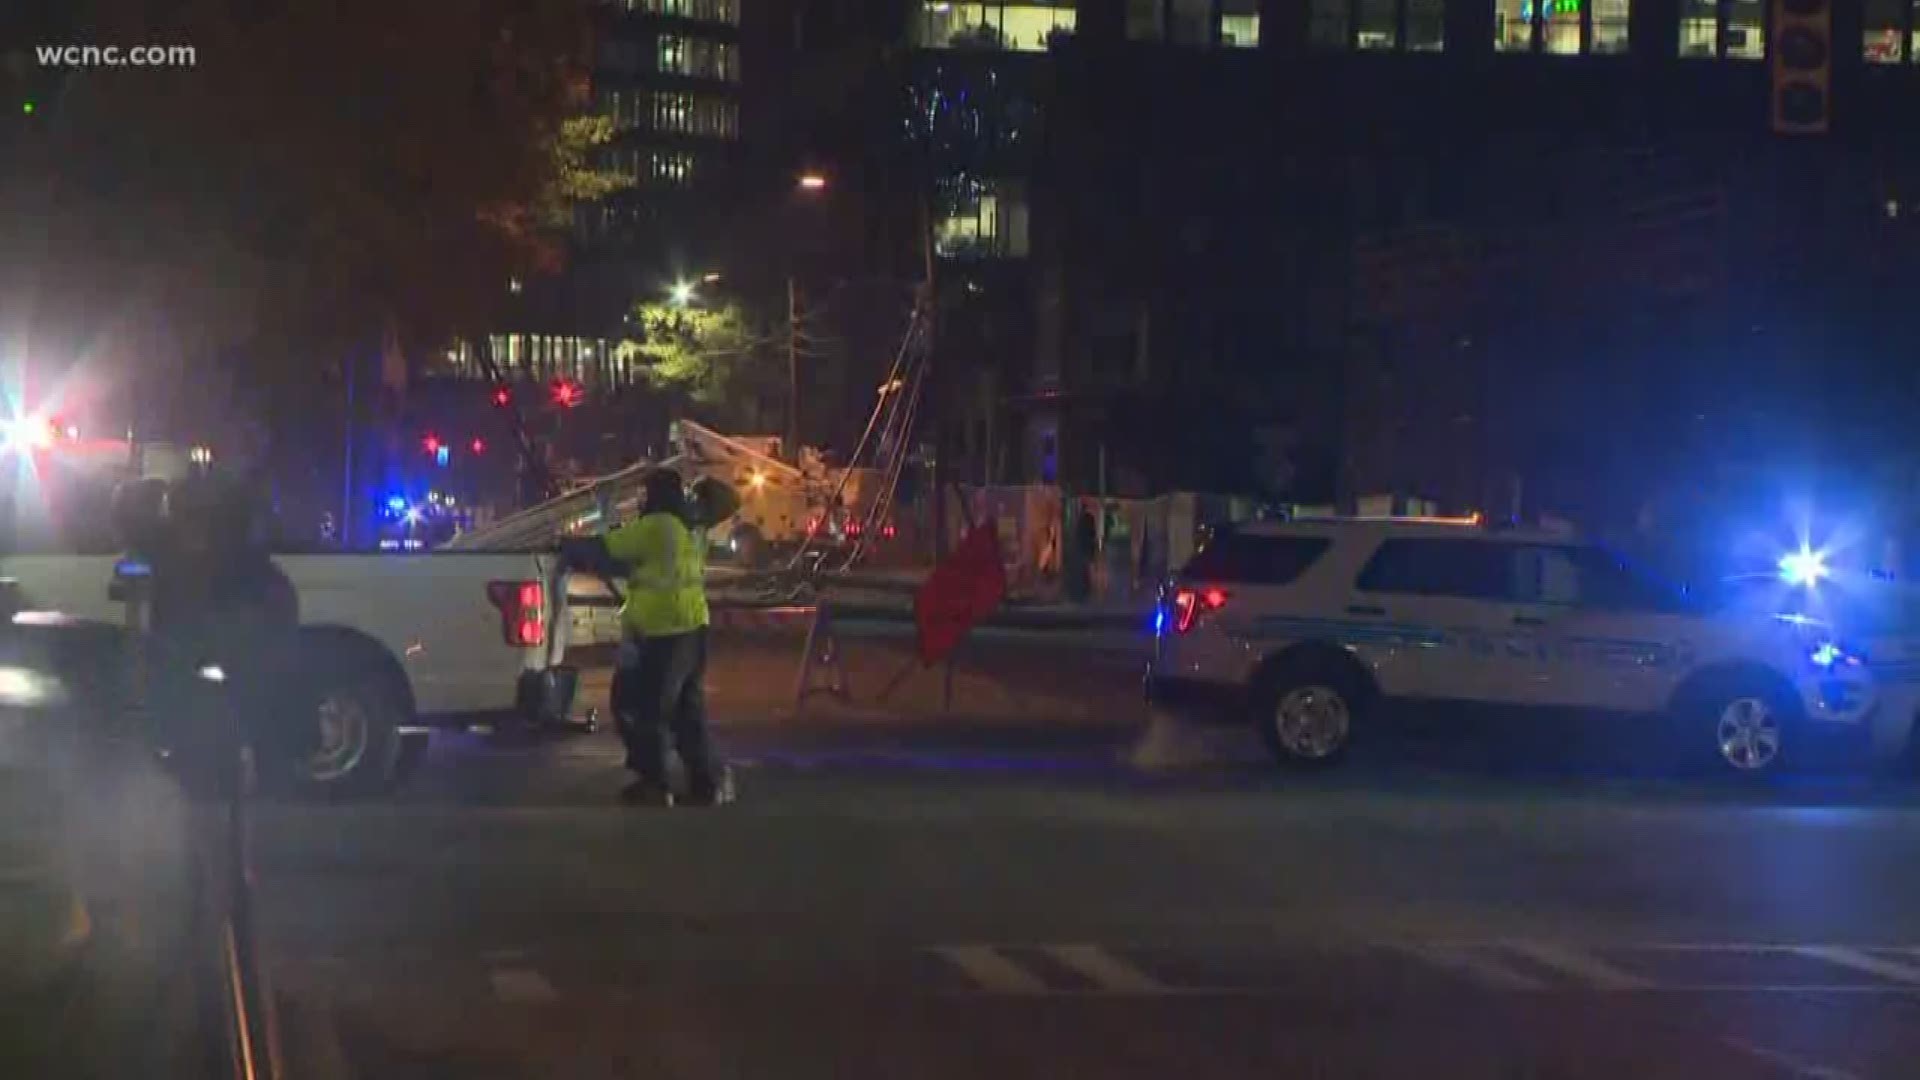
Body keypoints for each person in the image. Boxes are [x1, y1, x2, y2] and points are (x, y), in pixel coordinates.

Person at [599, 467, 732, 807]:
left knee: (640, 707)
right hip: (693, 629)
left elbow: (609, 547)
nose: (642, 500)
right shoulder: (692, 526)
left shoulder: (658, 526)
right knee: (686, 711)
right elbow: (730, 501)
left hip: (664, 633)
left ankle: (655, 784)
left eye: (645, 493)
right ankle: (709, 783)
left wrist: (564, 544)